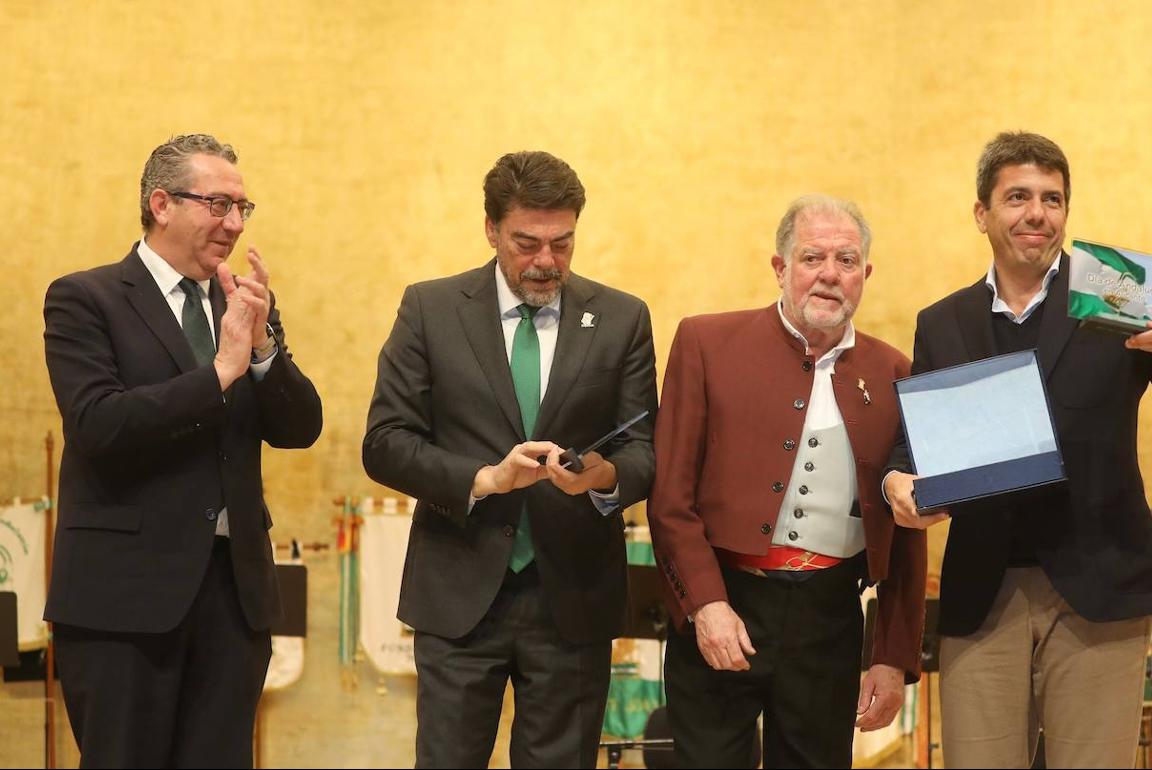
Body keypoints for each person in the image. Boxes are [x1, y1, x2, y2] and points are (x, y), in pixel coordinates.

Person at [884, 131, 1152, 768]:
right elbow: (917, 443)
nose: (1038, 213)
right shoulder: (942, 321)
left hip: (1102, 587)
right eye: (1018, 197)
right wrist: (897, 483)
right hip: (983, 592)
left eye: (1052, 199)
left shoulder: (1114, 289)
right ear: (981, 213)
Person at [362, 150, 657, 768]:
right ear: (491, 229)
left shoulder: (622, 318)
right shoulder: (431, 309)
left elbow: (644, 448)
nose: (546, 261)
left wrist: (603, 479)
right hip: (459, 589)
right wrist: (484, 479)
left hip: (573, 594)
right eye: (527, 243)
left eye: (562, 243)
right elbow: (385, 441)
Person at [42, 133, 323, 767]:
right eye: (218, 204)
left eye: (242, 208)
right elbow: (97, 424)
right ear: (162, 203)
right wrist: (219, 373)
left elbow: (300, 428)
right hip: (125, 599)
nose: (234, 224)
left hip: (233, 596)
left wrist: (263, 349)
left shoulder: (241, 303)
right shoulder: (86, 298)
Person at [647, 195, 926, 768]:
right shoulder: (705, 344)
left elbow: (907, 527)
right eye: (812, 257)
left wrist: (892, 656)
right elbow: (670, 498)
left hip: (831, 617)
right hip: (725, 599)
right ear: (780, 267)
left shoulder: (894, 372)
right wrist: (706, 605)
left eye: (847, 261)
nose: (830, 275)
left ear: (865, 274)